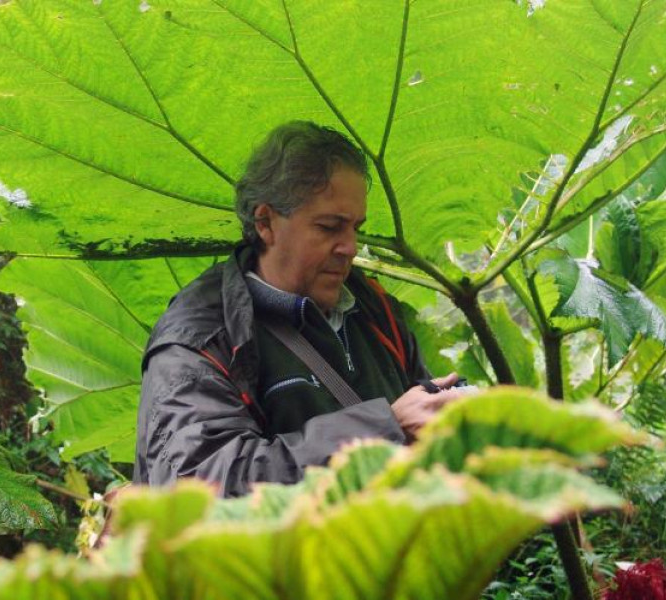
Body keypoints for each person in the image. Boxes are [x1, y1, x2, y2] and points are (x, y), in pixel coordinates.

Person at [133, 121, 464, 497]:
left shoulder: (371, 307)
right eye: (329, 227)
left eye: (355, 227)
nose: (350, 247)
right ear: (265, 222)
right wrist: (383, 428)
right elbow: (201, 487)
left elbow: (417, 419)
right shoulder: (200, 339)